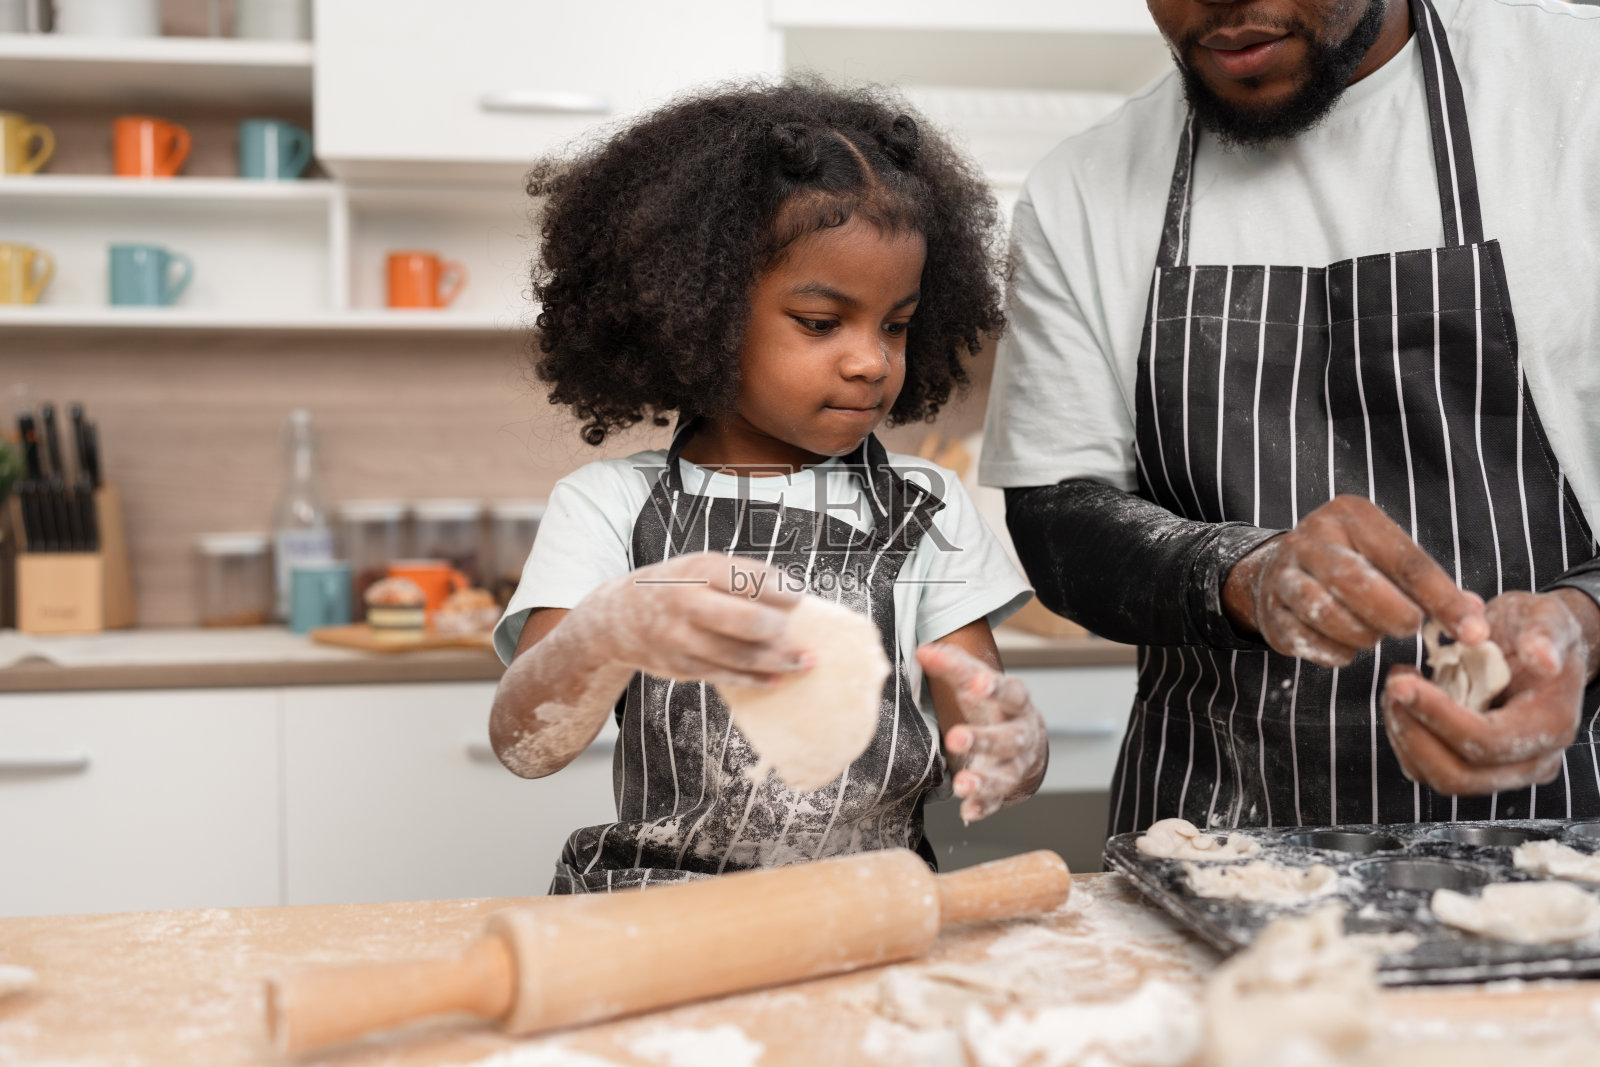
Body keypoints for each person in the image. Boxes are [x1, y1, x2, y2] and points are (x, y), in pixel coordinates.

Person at [982, 0, 1600, 835]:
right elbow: (1058, 519)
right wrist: (1247, 572)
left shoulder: (1576, 93)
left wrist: (1582, 627)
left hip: (1568, 844)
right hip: (1214, 838)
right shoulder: (1085, 185)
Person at [490, 81, 1046, 893]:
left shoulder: (924, 505)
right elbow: (525, 746)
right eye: (821, 323)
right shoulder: (611, 506)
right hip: (660, 906)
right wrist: (614, 625)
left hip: (870, 900)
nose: (871, 359)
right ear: (700, 313)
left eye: (895, 324)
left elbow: (980, 722)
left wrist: (1011, 746)